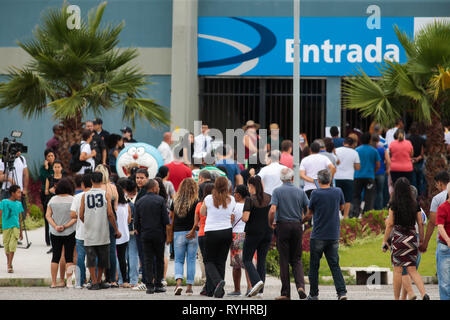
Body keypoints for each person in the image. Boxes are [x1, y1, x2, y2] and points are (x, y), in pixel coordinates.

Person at [303, 169, 347, 300]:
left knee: (314, 266)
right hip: (333, 234)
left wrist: (301, 220)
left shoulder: (315, 193)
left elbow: (310, 213)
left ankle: (314, 294)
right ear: (329, 179)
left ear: (319, 180)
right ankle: (341, 292)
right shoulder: (338, 191)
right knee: (334, 265)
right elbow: (341, 207)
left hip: (318, 235)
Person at [382, 177, 429, 300]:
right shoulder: (415, 204)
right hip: (412, 239)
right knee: (412, 270)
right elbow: (420, 222)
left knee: (398, 270)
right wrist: (422, 240)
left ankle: (397, 298)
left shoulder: (393, 204)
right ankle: (424, 294)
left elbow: (390, 224)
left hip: (398, 239)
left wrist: (384, 240)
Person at [268, 168, 309, 300]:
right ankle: (300, 286)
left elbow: (273, 209)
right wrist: (303, 220)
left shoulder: (277, 191)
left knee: (284, 259)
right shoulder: (300, 191)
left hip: (282, 225)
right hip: (297, 226)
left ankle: (285, 293)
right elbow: (309, 209)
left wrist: (271, 222)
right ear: (292, 178)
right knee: (296, 259)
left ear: (281, 179)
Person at [80, 172, 121, 290]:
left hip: (89, 231)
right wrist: (116, 229)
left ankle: (93, 282)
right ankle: (99, 280)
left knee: (91, 257)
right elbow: (110, 214)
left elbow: (81, 214)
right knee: (103, 257)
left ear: (91, 181)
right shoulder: (106, 194)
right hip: (102, 230)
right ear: (102, 180)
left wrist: (87, 223)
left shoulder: (85, 195)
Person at [200, 176, 235, 298]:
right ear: (227, 186)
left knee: (208, 260)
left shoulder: (209, 198)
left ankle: (217, 282)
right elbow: (232, 215)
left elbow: (202, 213)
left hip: (212, 232)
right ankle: (218, 291)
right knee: (220, 261)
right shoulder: (231, 199)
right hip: (226, 231)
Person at [135, 179, 169, 294]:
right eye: (158, 186)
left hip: (145, 234)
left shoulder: (140, 201)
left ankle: (149, 285)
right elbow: (165, 220)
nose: (159, 188)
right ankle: (158, 284)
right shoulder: (160, 200)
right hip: (159, 233)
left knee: (147, 259)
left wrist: (140, 231)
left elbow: (136, 222)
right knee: (159, 259)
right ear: (154, 188)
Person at [242, 177, 273, 297]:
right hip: (267, 232)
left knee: (247, 259)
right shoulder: (269, 198)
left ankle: (256, 281)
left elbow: (245, 218)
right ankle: (260, 291)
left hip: (253, 233)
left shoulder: (250, 200)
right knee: (261, 260)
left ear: (251, 185)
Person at [170, 178, 199, 296]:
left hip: (178, 233)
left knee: (179, 260)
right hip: (193, 233)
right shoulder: (196, 201)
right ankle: (190, 287)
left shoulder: (175, 201)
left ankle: (178, 284)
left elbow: (171, 217)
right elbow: (198, 218)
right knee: (191, 260)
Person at [46, 178, 77, 288]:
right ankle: (69, 282)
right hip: (69, 231)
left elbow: (48, 215)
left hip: (55, 232)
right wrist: (66, 226)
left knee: (55, 257)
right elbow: (75, 217)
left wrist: (55, 226)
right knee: (69, 257)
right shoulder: (73, 200)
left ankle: (54, 282)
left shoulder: (53, 200)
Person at [95, 164, 119, 287]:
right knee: (111, 250)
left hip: (99, 219)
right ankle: (112, 279)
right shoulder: (112, 187)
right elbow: (115, 207)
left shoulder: (96, 189)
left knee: (98, 249)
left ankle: (97, 278)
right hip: (112, 219)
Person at [227, 184, 251, 297]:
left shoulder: (234, 207)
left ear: (239, 195)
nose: (233, 194)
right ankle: (250, 287)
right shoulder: (250, 205)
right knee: (248, 263)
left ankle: (237, 289)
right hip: (248, 235)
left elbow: (230, 221)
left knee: (236, 265)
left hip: (236, 235)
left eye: (235, 192)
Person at [351, 132, 381, 218]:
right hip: (369, 176)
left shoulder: (357, 150)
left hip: (357, 176)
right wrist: (373, 171)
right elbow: (378, 164)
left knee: (356, 195)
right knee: (369, 196)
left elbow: (354, 163)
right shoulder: (374, 150)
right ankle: (367, 214)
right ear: (370, 140)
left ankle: (356, 212)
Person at [70, 173, 92, 289]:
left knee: (80, 258)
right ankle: (93, 280)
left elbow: (72, 214)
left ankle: (80, 280)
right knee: (93, 257)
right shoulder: (97, 195)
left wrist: (81, 215)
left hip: (80, 232)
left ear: (83, 184)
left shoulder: (77, 197)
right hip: (94, 233)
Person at [421, 171, 450, 254]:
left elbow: (432, 223)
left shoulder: (437, 198)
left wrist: (425, 243)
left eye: (436, 184)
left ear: (440, 183)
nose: (436, 187)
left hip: (443, 241)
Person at [335, 137, 360, 218]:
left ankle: (337, 215)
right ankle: (345, 216)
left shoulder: (336, 150)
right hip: (349, 178)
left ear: (343, 143)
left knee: (337, 197)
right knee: (348, 198)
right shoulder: (354, 152)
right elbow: (357, 167)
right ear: (352, 144)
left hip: (337, 177)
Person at [0, 185, 23, 273]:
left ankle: (9, 265)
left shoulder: (19, 204)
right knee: (6, 246)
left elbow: (20, 218)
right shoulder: (4, 202)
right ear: (12, 193)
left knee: (12, 246)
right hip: (6, 227)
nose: (20, 194)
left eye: (20, 192)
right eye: (18, 192)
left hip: (15, 227)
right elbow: (0, 213)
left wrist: (21, 232)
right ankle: (9, 262)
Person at [115, 184, 132, 288]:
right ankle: (125, 280)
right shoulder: (127, 205)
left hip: (115, 234)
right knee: (122, 258)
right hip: (125, 234)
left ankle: (113, 278)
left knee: (112, 257)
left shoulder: (113, 207)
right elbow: (129, 220)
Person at [436, 182, 450, 300]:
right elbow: (440, 226)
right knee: (445, 282)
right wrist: (448, 240)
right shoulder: (443, 208)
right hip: (445, 247)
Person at [39, 149, 56, 248]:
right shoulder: (43, 168)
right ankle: (48, 239)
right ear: (46, 157)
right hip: (45, 193)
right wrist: (46, 168)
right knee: (47, 215)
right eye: (49, 156)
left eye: (52, 155)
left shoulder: (57, 166)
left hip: (55, 193)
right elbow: (43, 179)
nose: (50, 158)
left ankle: (54, 237)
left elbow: (54, 177)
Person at [371, 134, 390, 210]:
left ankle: (373, 207)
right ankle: (380, 208)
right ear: (378, 140)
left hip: (372, 173)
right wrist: (388, 169)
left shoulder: (371, 149)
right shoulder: (382, 149)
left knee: (372, 192)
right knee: (380, 192)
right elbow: (388, 161)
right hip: (381, 172)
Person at [407, 123, 426, 195]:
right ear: (418, 130)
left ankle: (414, 196)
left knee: (413, 181)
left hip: (411, 161)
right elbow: (423, 151)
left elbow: (408, 151)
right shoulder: (422, 139)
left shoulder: (408, 140)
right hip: (419, 161)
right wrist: (418, 158)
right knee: (420, 180)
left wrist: (412, 158)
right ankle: (421, 196)